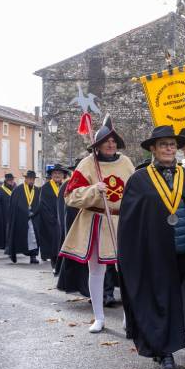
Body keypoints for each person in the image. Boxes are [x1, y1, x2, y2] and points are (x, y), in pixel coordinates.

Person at [119, 125, 185, 369]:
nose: (168, 149)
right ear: (152, 148)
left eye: (172, 145)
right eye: (163, 144)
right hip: (153, 254)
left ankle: (161, 344)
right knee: (162, 298)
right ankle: (165, 353)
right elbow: (130, 221)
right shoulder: (139, 179)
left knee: (172, 298)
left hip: (183, 250)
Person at [59, 116, 134, 333]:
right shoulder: (87, 164)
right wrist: (93, 190)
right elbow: (70, 195)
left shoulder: (126, 163)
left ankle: (128, 317)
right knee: (96, 270)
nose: (111, 144)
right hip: (95, 221)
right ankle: (99, 317)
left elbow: (135, 191)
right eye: (106, 141)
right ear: (98, 144)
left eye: (113, 141)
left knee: (125, 270)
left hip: (121, 221)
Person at [33, 164, 70, 270]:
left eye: (59, 173)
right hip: (51, 222)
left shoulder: (67, 186)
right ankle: (55, 265)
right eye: (55, 173)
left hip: (65, 219)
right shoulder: (45, 188)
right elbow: (43, 205)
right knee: (54, 244)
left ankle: (64, 266)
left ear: (63, 175)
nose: (57, 175)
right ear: (51, 175)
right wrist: (52, 219)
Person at [5, 170, 41, 264]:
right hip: (20, 218)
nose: (31, 181)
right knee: (18, 236)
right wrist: (25, 211)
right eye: (29, 178)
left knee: (34, 237)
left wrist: (34, 212)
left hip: (33, 218)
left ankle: (33, 256)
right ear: (25, 179)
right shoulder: (18, 190)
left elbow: (39, 204)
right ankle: (13, 254)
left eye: (32, 179)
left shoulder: (37, 190)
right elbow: (14, 204)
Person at [0, 173, 15, 250]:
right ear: (6, 181)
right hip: (3, 214)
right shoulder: (0, 190)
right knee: (4, 229)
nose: (11, 182)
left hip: (12, 213)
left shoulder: (14, 189)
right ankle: (4, 244)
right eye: (10, 181)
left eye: (12, 180)